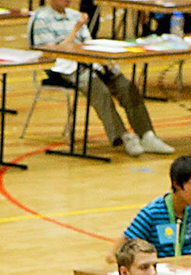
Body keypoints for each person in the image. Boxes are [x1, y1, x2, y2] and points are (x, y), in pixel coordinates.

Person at [27, 0, 165, 157]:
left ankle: (147, 134)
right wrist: (75, 30)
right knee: (98, 89)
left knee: (126, 86)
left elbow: (88, 44)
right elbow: (49, 53)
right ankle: (124, 136)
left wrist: (105, 61)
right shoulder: (41, 19)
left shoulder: (75, 15)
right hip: (61, 66)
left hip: (88, 62)